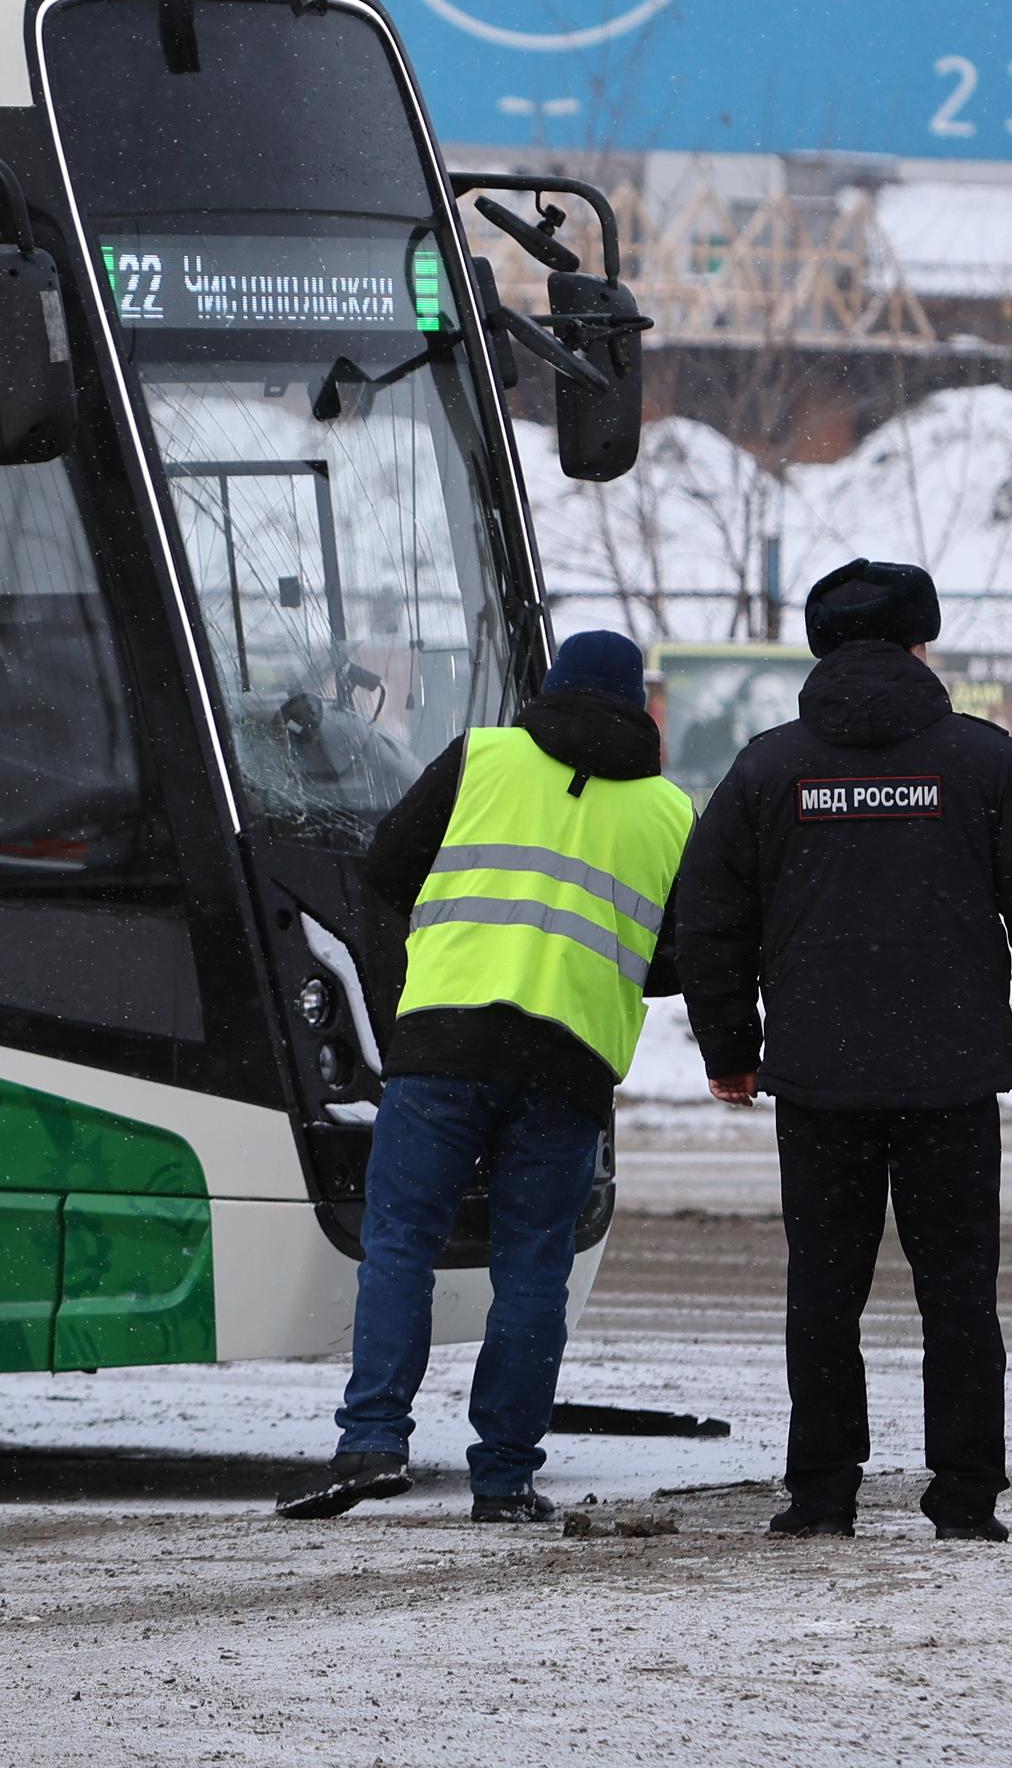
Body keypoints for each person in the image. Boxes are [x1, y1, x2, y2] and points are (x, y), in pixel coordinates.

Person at [675, 561, 1012, 1543]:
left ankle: (822, 1493)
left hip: (819, 1081)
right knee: (960, 1300)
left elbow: (711, 916)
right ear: (921, 646)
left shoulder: (767, 767)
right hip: (950, 1079)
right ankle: (962, 1499)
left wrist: (731, 1046)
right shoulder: (983, 762)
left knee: (823, 1295)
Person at [279, 629, 694, 1527]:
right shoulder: (668, 813)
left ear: (552, 689)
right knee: (534, 1271)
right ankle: (503, 1477)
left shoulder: (483, 755)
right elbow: (674, 961)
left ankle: (374, 1441)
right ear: (639, 708)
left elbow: (388, 867)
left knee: (401, 1244)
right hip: (569, 1065)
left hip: (445, 1047)